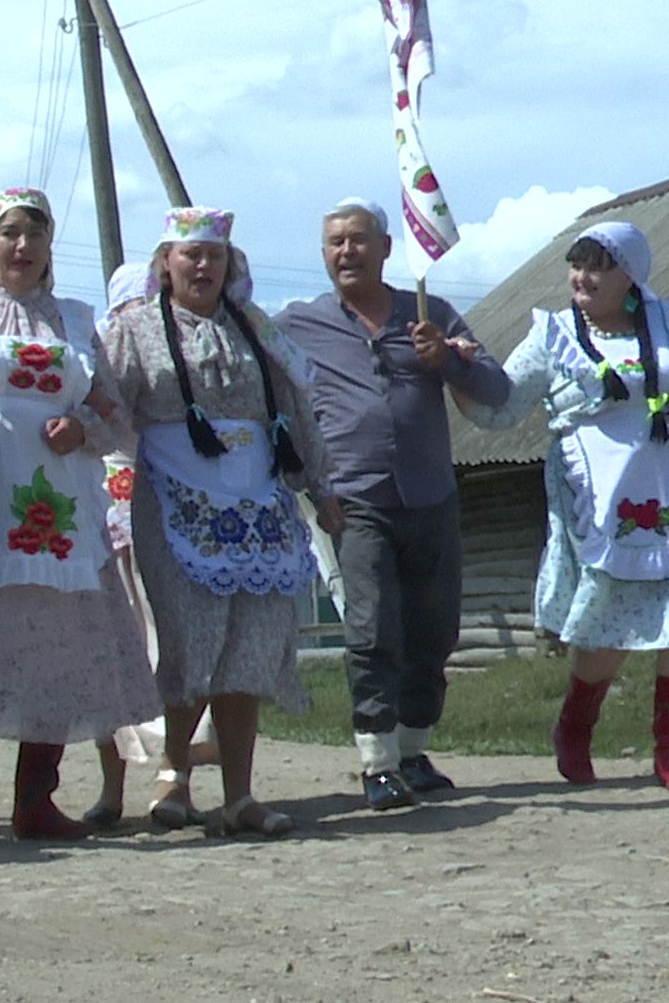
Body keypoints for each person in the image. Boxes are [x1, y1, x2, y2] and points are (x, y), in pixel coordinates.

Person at [0, 190, 161, 840]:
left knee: (58, 649)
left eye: (34, 235)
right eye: (8, 234)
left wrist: (82, 429)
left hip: (64, 512)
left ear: (49, 247)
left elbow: (117, 414)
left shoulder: (77, 321)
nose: (22, 247)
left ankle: (36, 798)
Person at [103, 206, 343, 838]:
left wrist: (321, 487)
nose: (203, 265)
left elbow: (297, 408)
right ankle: (173, 775)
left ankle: (239, 795)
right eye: (190, 255)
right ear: (165, 263)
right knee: (188, 638)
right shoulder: (133, 330)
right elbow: (107, 409)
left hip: (258, 504)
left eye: (215, 256)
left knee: (252, 644)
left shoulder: (256, 331)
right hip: (172, 497)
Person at [275, 198, 509, 809]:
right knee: (374, 627)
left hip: (431, 494)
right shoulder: (300, 324)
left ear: (385, 248)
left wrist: (446, 362)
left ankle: (412, 751)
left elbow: (496, 389)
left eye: (358, 240)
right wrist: (305, 480)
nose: (346, 251)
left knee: (434, 631)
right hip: (354, 500)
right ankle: (377, 762)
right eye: (334, 242)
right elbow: (269, 397)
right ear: (323, 254)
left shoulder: (429, 314)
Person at [461, 222, 669, 787]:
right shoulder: (554, 335)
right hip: (596, 495)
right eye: (577, 265)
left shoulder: (665, 325)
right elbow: (500, 408)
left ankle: (667, 747)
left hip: (664, 483)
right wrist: (455, 372)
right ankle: (575, 726)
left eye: (597, 266)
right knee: (605, 621)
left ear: (630, 274)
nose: (582, 277)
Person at [86, 264, 223, 828]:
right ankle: (111, 789)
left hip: (176, 515)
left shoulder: (190, 350)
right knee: (110, 652)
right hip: (107, 514)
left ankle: (177, 774)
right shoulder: (103, 354)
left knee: (178, 648)